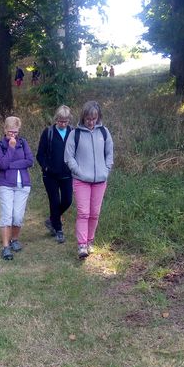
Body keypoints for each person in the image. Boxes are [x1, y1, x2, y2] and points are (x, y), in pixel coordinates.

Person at [64, 100, 114, 259]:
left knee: (95, 213)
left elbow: (109, 154)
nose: (91, 122)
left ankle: (90, 241)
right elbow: (68, 157)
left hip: (100, 180)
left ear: (98, 117)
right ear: (83, 117)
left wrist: (106, 170)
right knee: (84, 213)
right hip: (81, 181)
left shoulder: (104, 132)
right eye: (88, 119)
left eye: (94, 119)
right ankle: (82, 245)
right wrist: (78, 171)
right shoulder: (75, 134)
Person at [0, 116, 34, 260]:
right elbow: (2, 165)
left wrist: (11, 164)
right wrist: (11, 148)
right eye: (10, 132)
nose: (13, 135)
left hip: (23, 184)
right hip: (5, 184)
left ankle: (15, 239)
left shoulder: (23, 143)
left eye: (15, 132)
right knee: (7, 215)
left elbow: (30, 161)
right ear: (5, 130)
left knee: (18, 216)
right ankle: (5, 247)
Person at [36, 105, 74, 244]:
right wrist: (46, 167)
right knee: (54, 201)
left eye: (65, 121)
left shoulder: (73, 132)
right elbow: (40, 154)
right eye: (60, 121)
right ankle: (58, 230)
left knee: (67, 200)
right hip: (50, 176)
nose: (62, 124)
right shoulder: (48, 132)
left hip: (67, 174)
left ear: (69, 120)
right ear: (55, 119)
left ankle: (51, 219)